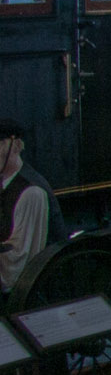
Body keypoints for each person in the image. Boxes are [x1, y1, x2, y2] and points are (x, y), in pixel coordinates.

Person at [0, 120, 64, 294]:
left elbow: (18, 264)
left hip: (36, 291)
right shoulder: (5, 183)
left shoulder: (31, 192)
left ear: (13, 146)